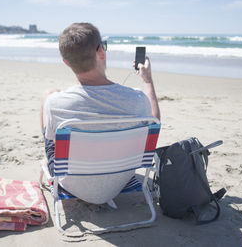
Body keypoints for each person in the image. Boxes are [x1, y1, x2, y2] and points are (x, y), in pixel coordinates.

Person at [40, 22, 160, 176]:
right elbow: (154, 124)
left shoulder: (56, 103)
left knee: (48, 94)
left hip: (71, 181)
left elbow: (53, 142)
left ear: (66, 62)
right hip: (120, 178)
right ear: (101, 52)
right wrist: (148, 80)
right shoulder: (137, 98)